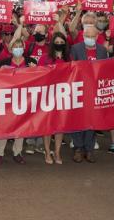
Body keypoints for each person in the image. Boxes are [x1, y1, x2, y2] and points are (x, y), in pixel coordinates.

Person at [70, 26, 108, 163]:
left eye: (92, 36)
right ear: (83, 36)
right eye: (87, 36)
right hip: (79, 90)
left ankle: (89, 149)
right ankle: (78, 148)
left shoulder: (103, 50)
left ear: (97, 37)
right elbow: (71, 69)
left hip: (95, 91)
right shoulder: (75, 49)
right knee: (78, 120)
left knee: (92, 120)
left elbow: (105, 69)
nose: (90, 39)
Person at [0, 38, 36, 165]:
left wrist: (35, 69)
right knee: (5, 125)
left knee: (21, 125)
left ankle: (17, 152)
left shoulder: (31, 62)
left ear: (24, 48)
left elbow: (40, 77)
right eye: (15, 46)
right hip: (8, 99)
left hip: (25, 99)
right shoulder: (4, 62)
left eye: (20, 46)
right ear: (11, 49)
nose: (18, 48)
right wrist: (0, 70)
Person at [38, 32, 71, 164]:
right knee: (47, 126)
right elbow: (38, 75)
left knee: (60, 126)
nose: (59, 45)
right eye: (56, 43)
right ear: (52, 44)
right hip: (48, 96)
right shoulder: (45, 58)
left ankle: (57, 152)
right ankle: (47, 152)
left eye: (61, 43)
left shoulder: (69, 58)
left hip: (63, 96)